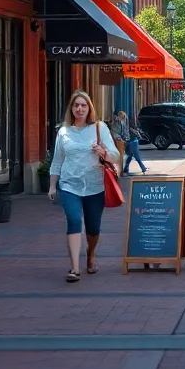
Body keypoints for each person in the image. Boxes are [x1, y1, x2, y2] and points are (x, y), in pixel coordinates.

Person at [48, 90, 117, 282]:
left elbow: (115, 155)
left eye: (83, 105)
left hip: (95, 186)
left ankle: (91, 254)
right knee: (74, 221)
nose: (79, 108)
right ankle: (74, 268)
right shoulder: (63, 131)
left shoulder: (99, 127)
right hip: (69, 185)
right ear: (71, 108)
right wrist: (53, 186)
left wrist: (102, 151)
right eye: (76, 105)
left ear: (89, 108)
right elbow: (57, 161)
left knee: (93, 227)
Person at [111, 111, 131, 175]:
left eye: (124, 117)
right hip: (117, 138)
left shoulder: (122, 122)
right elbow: (115, 118)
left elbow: (124, 131)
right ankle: (120, 171)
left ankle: (121, 170)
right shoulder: (116, 120)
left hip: (120, 139)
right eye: (122, 116)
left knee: (122, 156)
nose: (123, 118)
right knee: (119, 156)